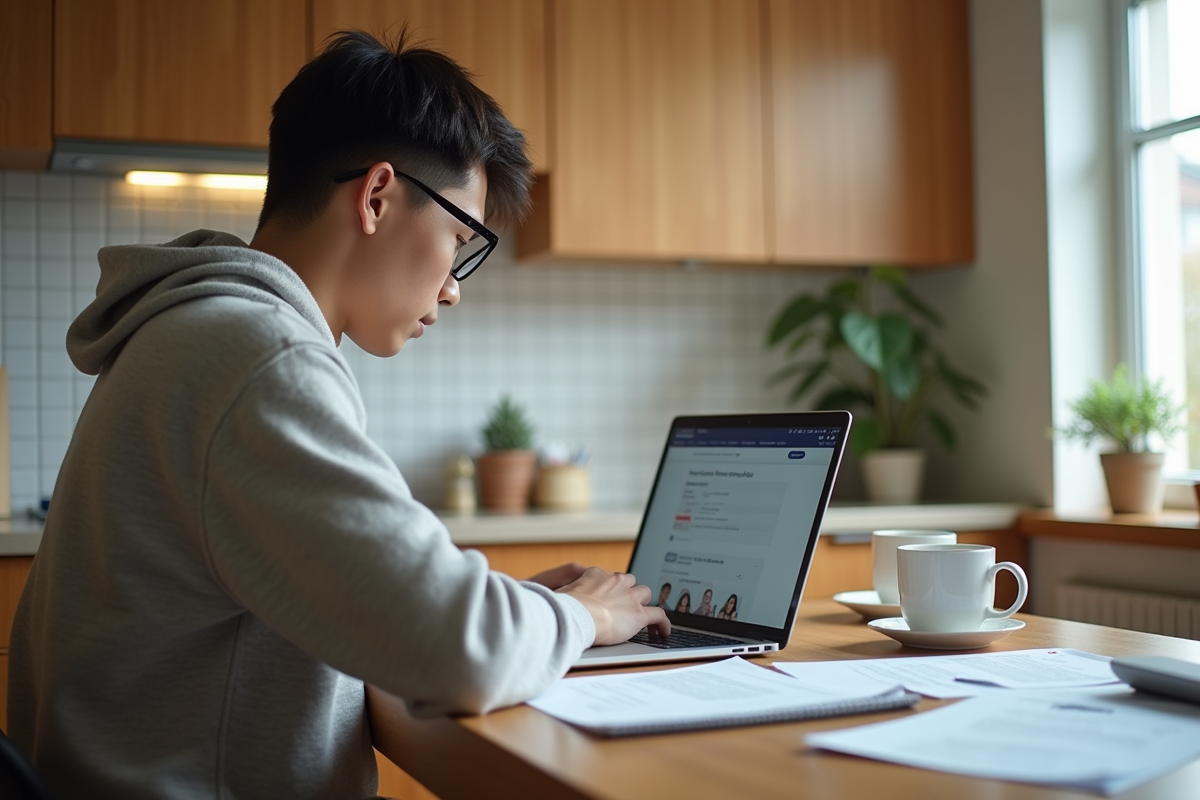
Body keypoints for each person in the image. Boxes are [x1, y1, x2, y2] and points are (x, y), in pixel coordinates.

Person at [6, 30, 668, 800]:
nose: (454, 286)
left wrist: (522, 608)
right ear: (378, 195)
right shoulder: (258, 355)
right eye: (461, 239)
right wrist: (581, 618)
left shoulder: (193, 330)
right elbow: (459, 650)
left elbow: (392, 612)